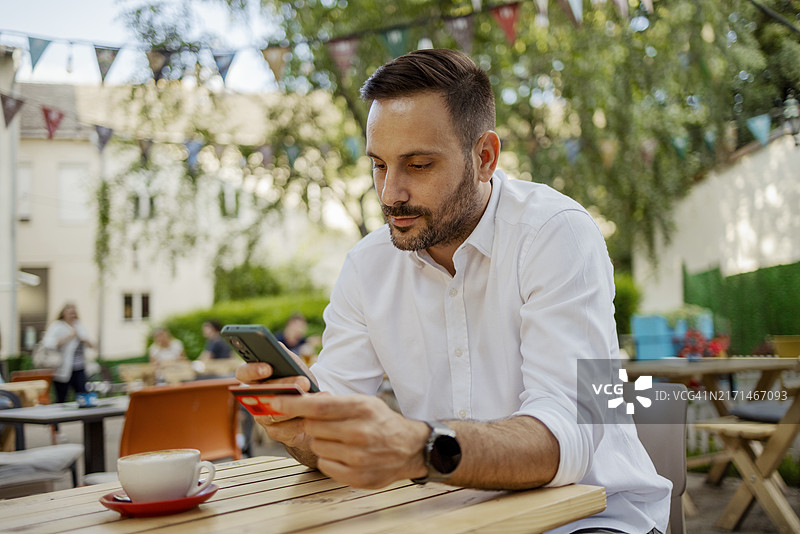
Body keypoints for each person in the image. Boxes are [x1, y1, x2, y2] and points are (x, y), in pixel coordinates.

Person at [237, 49, 670, 534]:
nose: (389, 193)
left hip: (595, 518)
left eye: (418, 165)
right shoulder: (367, 265)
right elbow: (333, 427)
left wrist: (420, 446)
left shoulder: (555, 232)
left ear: (484, 157)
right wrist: (299, 424)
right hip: (452, 519)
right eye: (379, 165)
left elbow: (566, 436)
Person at [41, 303, 94, 403]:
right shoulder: (57, 326)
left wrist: (85, 340)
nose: (72, 315)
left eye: (74, 312)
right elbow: (48, 343)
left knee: (83, 395)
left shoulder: (79, 325)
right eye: (69, 312)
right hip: (62, 368)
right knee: (61, 398)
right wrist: (69, 336)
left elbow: (90, 343)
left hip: (79, 367)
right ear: (63, 313)